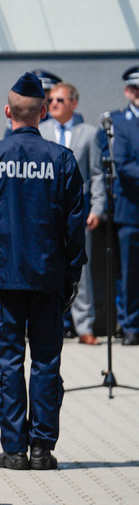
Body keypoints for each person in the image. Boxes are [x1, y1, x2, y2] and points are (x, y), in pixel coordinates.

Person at [0, 72, 86, 471]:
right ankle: (42, 449)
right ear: (43, 112)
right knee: (46, 362)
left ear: (6, 111)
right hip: (48, 277)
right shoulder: (61, 159)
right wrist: (72, 274)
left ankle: (14, 449)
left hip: (4, 275)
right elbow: (75, 225)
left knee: (9, 363)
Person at [38, 83, 105, 345]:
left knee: (80, 270)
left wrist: (97, 208)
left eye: (60, 100)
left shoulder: (89, 133)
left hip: (78, 209)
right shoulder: (41, 131)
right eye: (51, 100)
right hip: (46, 210)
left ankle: (84, 325)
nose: (53, 104)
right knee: (46, 266)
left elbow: (97, 173)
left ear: (73, 103)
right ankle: (49, 323)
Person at [105, 65, 139, 345]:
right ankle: (130, 326)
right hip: (131, 210)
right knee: (130, 273)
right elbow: (123, 164)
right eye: (135, 89)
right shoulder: (119, 121)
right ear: (127, 91)